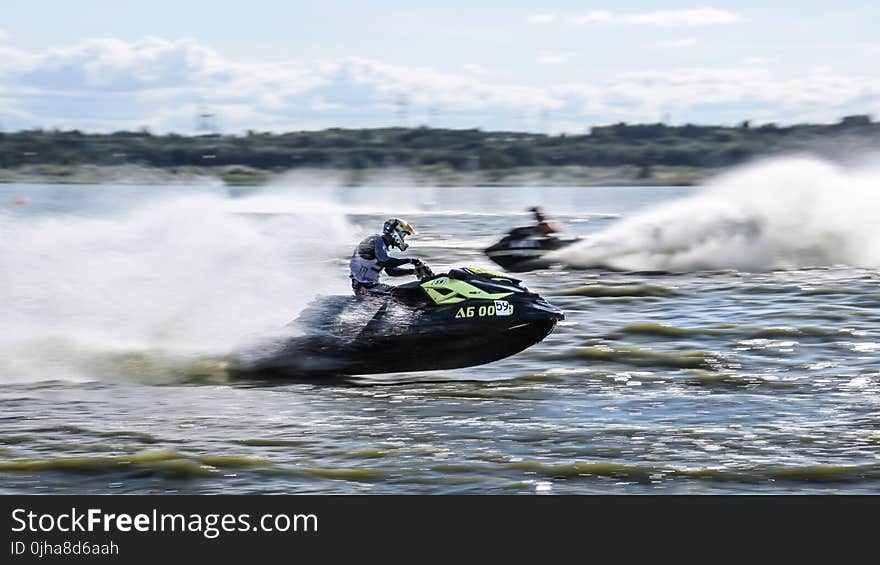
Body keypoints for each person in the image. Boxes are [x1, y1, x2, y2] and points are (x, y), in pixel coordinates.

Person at [349, 218, 425, 297]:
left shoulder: (383, 246)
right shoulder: (376, 240)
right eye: (403, 235)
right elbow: (385, 262)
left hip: (369, 287)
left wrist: (414, 271)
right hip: (365, 287)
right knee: (404, 293)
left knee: (404, 291)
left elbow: (391, 271)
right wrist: (411, 261)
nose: (403, 239)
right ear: (395, 232)